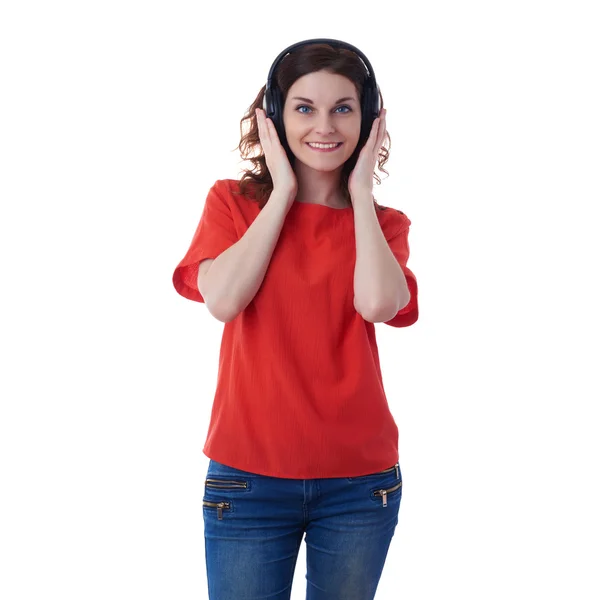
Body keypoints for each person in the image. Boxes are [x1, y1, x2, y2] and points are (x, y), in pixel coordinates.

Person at [172, 39, 419, 600]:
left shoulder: (386, 225)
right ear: (274, 116)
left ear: (370, 117)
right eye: (304, 107)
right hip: (248, 478)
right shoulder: (232, 204)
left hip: (360, 484)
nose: (324, 125)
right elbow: (224, 300)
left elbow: (379, 305)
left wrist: (359, 195)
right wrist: (283, 191)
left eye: (344, 108)